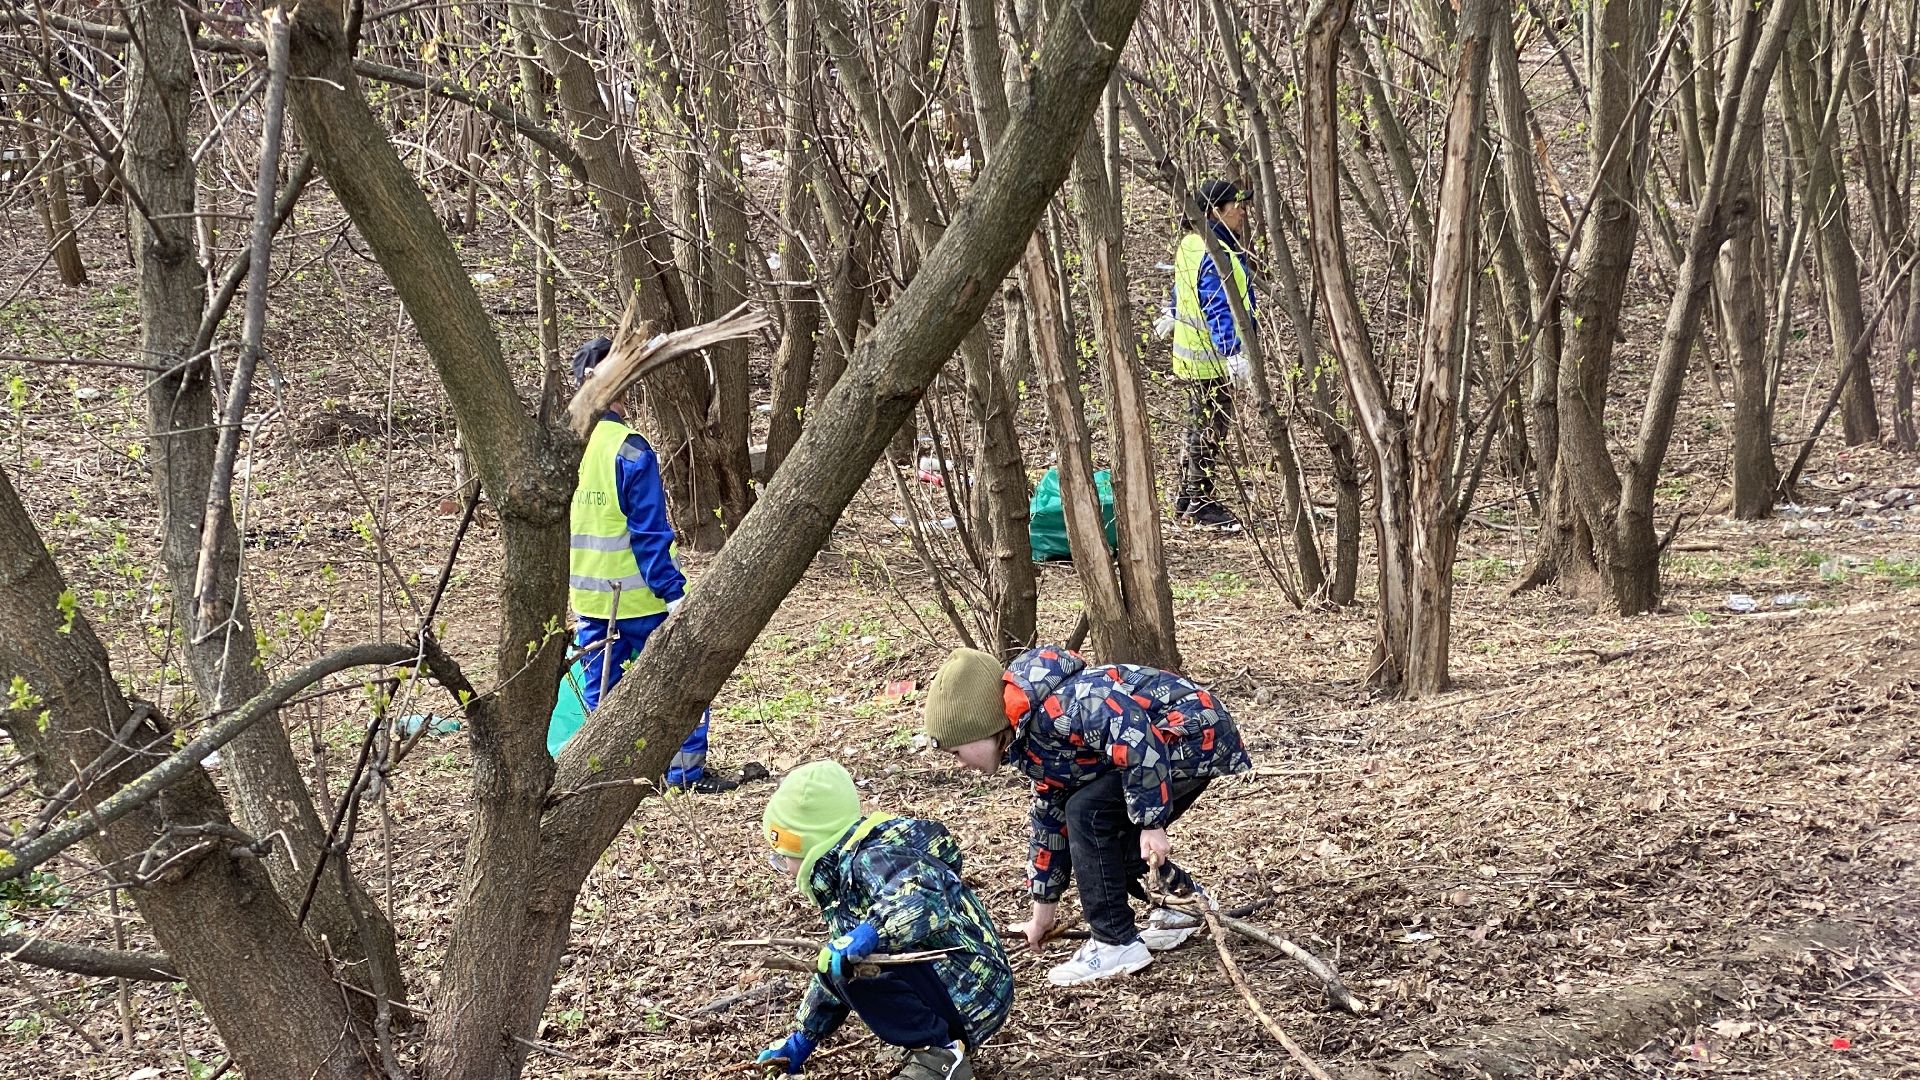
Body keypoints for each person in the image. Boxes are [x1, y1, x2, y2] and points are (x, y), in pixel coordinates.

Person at [922, 646, 1252, 987]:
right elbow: (1050, 822)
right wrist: (1042, 916)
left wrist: (1150, 823)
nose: (960, 764)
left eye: (957, 751)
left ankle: (1115, 943)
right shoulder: (1031, 743)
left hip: (1192, 734)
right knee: (1104, 834)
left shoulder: (1068, 703)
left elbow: (1137, 738)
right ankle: (1185, 905)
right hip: (1162, 751)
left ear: (980, 727)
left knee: (1087, 812)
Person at [756, 760, 1013, 1079]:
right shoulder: (842, 878)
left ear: (809, 847)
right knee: (841, 964)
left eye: (783, 857)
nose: (783, 867)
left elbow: (923, 896)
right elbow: (833, 970)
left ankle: (942, 1059)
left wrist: (871, 932)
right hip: (959, 985)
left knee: (853, 970)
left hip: (974, 986)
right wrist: (804, 1038)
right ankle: (938, 1045)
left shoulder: (873, 860)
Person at [558, 336, 736, 793]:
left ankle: (605, 776)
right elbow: (648, 533)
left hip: (590, 603)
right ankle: (683, 774)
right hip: (642, 600)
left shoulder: (563, 448)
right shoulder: (630, 450)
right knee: (682, 680)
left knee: (601, 694)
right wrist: (673, 592)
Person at [1167, 178, 1257, 531]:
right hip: (1211, 360)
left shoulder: (1192, 244)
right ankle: (1201, 503)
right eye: (1236, 206)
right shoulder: (1214, 251)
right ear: (1215, 212)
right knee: (1210, 430)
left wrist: (1171, 310)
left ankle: (1187, 497)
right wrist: (1232, 351)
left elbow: (1182, 288)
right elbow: (1216, 304)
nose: (1242, 212)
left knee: (1197, 426)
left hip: (1196, 358)